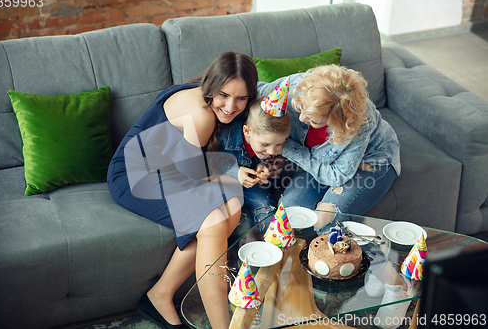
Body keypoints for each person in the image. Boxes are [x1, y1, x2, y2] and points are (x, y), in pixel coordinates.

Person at [107, 51, 258, 329]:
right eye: (224, 95)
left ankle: (160, 294)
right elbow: (192, 174)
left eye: (241, 98)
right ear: (213, 86)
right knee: (214, 217)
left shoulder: (207, 99)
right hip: (133, 176)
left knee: (233, 202)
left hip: (168, 168)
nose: (230, 106)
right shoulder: (202, 115)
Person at [258, 64, 400, 234]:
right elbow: (255, 93)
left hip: (370, 160)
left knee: (325, 220)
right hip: (317, 160)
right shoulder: (297, 86)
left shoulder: (358, 121)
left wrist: (286, 146)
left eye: (315, 121)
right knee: (287, 220)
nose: (301, 118)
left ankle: (336, 258)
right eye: (300, 108)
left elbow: (336, 175)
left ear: (339, 120)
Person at [217, 78, 291, 233]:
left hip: (254, 185)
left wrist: (262, 167)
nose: (271, 152)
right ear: (247, 132)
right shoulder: (225, 135)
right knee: (242, 225)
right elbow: (208, 162)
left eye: (279, 144)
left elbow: (263, 159)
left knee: (268, 215)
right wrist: (235, 173)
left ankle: (276, 251)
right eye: (265, 145)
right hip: (224, 186)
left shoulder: (265, 146)